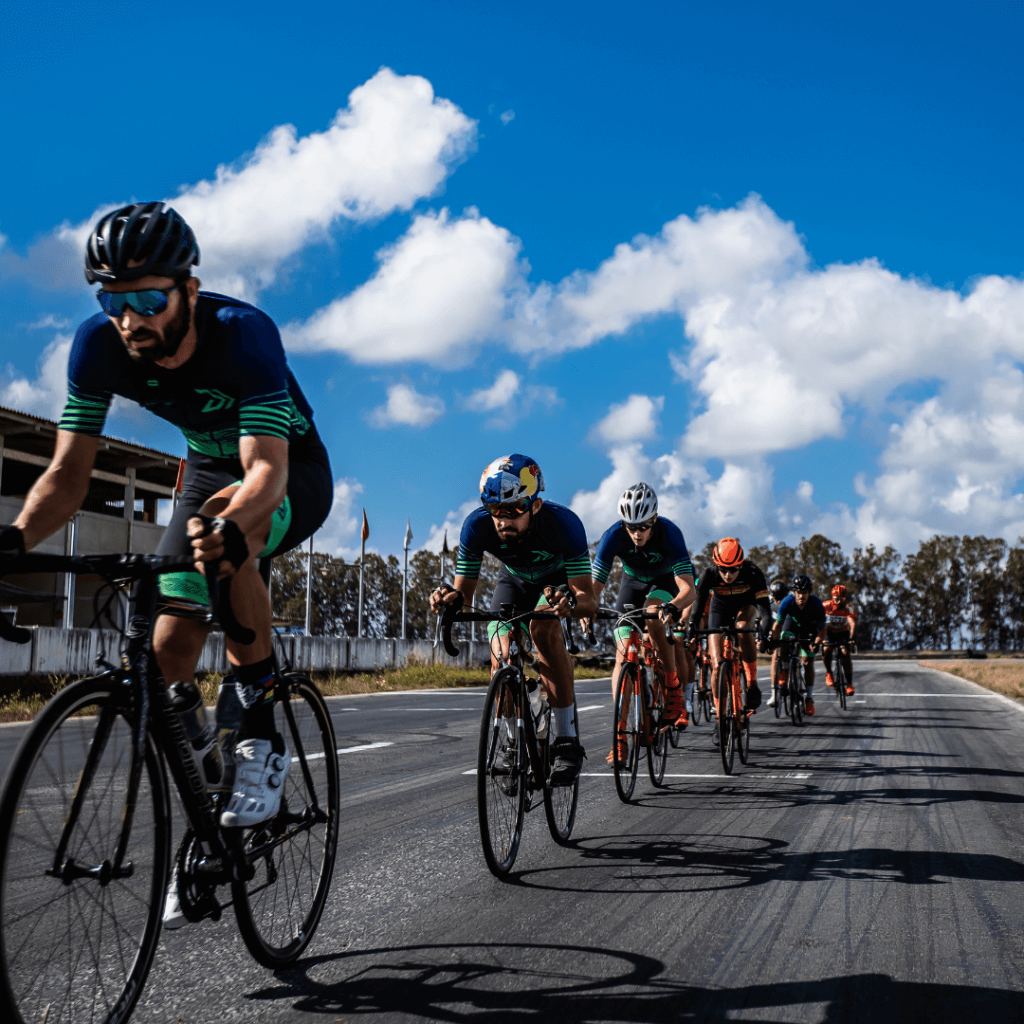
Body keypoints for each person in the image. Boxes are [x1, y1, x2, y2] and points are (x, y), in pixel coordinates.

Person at [0, 203, 333, 842]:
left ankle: (260, 741)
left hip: (289, 467)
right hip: (207, 468)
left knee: (226, 533)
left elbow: (265, 469)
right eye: (113, 302)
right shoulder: (96, 347)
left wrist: (233, 528)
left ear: (190, 291)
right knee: (168, 646)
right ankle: (204, 789)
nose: (130, 320)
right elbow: (67, 476)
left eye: (149, 300)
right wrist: (15, 538)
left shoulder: (244, 334)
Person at [429, 455, 596, 784]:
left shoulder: (564, 524)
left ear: (535, 505)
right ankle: (510, 741)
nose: (503, 519)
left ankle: (566, 739)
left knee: (543, 629)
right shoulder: (476, 526)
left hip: (555, 585)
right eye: (495, 509)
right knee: (501, 654)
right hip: (514, 583)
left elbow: (588, 599)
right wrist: (450, 599)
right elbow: (465, 596)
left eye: (515, 509)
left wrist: (572, 603)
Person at [586, 483, 695, 762]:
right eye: (631, 527)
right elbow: (594, 588)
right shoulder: (612, 536)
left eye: (644, 526)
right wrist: (587, 610)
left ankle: (672, 686)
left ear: (654, 518)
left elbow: (688, 589)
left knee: (652, 612)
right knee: (623, 655)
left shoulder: (670, 533)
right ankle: (620, 736)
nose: (637, 533)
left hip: (664, 581)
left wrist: (673, 606)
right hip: (632, 583)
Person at [685, 538, 771, 716]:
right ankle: (720, 716)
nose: (728, 574)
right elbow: (697, 610)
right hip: (720, 609)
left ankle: (752, 683)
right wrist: (692, 632)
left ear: (741, 565)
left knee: (742, 627)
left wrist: (763, 634)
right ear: (716, 566)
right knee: (716, 665)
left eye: (733, 569)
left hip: (745, 605)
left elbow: (765, 612)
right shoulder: (709, 574)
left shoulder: (753, 572)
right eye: (723, 569)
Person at [768, 574, 827, 715]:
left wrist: (817, 643)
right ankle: (785, 669)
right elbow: (777, 626)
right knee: (784, 637)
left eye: (804, 592)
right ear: (793, 592)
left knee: (807, 662)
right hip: (792, 625)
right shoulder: (786, 602)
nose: (801, 596)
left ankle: (809, 699)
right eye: (798, 592)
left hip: (809, 630)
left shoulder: (816, 604)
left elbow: (822, 629)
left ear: (809, 592)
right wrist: (772, 641)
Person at [822, 584, 857, 695]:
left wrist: (851, 638)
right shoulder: (826, 605)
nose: (837, 601)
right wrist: (819, 636)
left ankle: (849, 684)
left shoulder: (848, 608)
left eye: (841, 599)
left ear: (845, 598)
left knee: (845, 653)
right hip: (829, 633)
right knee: (826, 649)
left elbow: (852, 624)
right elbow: (817, 619)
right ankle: (829, 673)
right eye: (835, 598)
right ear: (832, 597)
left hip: (843, 633)